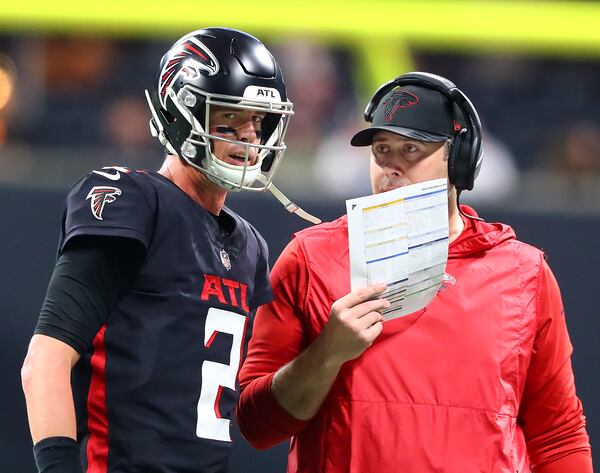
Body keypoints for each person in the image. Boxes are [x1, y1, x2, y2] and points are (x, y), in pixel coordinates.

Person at [236, 72, 593, 472]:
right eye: (382, 150)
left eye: (411, 149)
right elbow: (256, 425)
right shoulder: (310, 258)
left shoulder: (524, 273)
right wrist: (327, 354)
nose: (390, 166)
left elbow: (557, 434)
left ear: (459, 160)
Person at [21, 27, 295, 473]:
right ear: (181, 113)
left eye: (258, 120)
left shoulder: (249, 245)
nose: (249, 136)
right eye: (229, 117)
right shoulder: (135, 201)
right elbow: (46, 361)